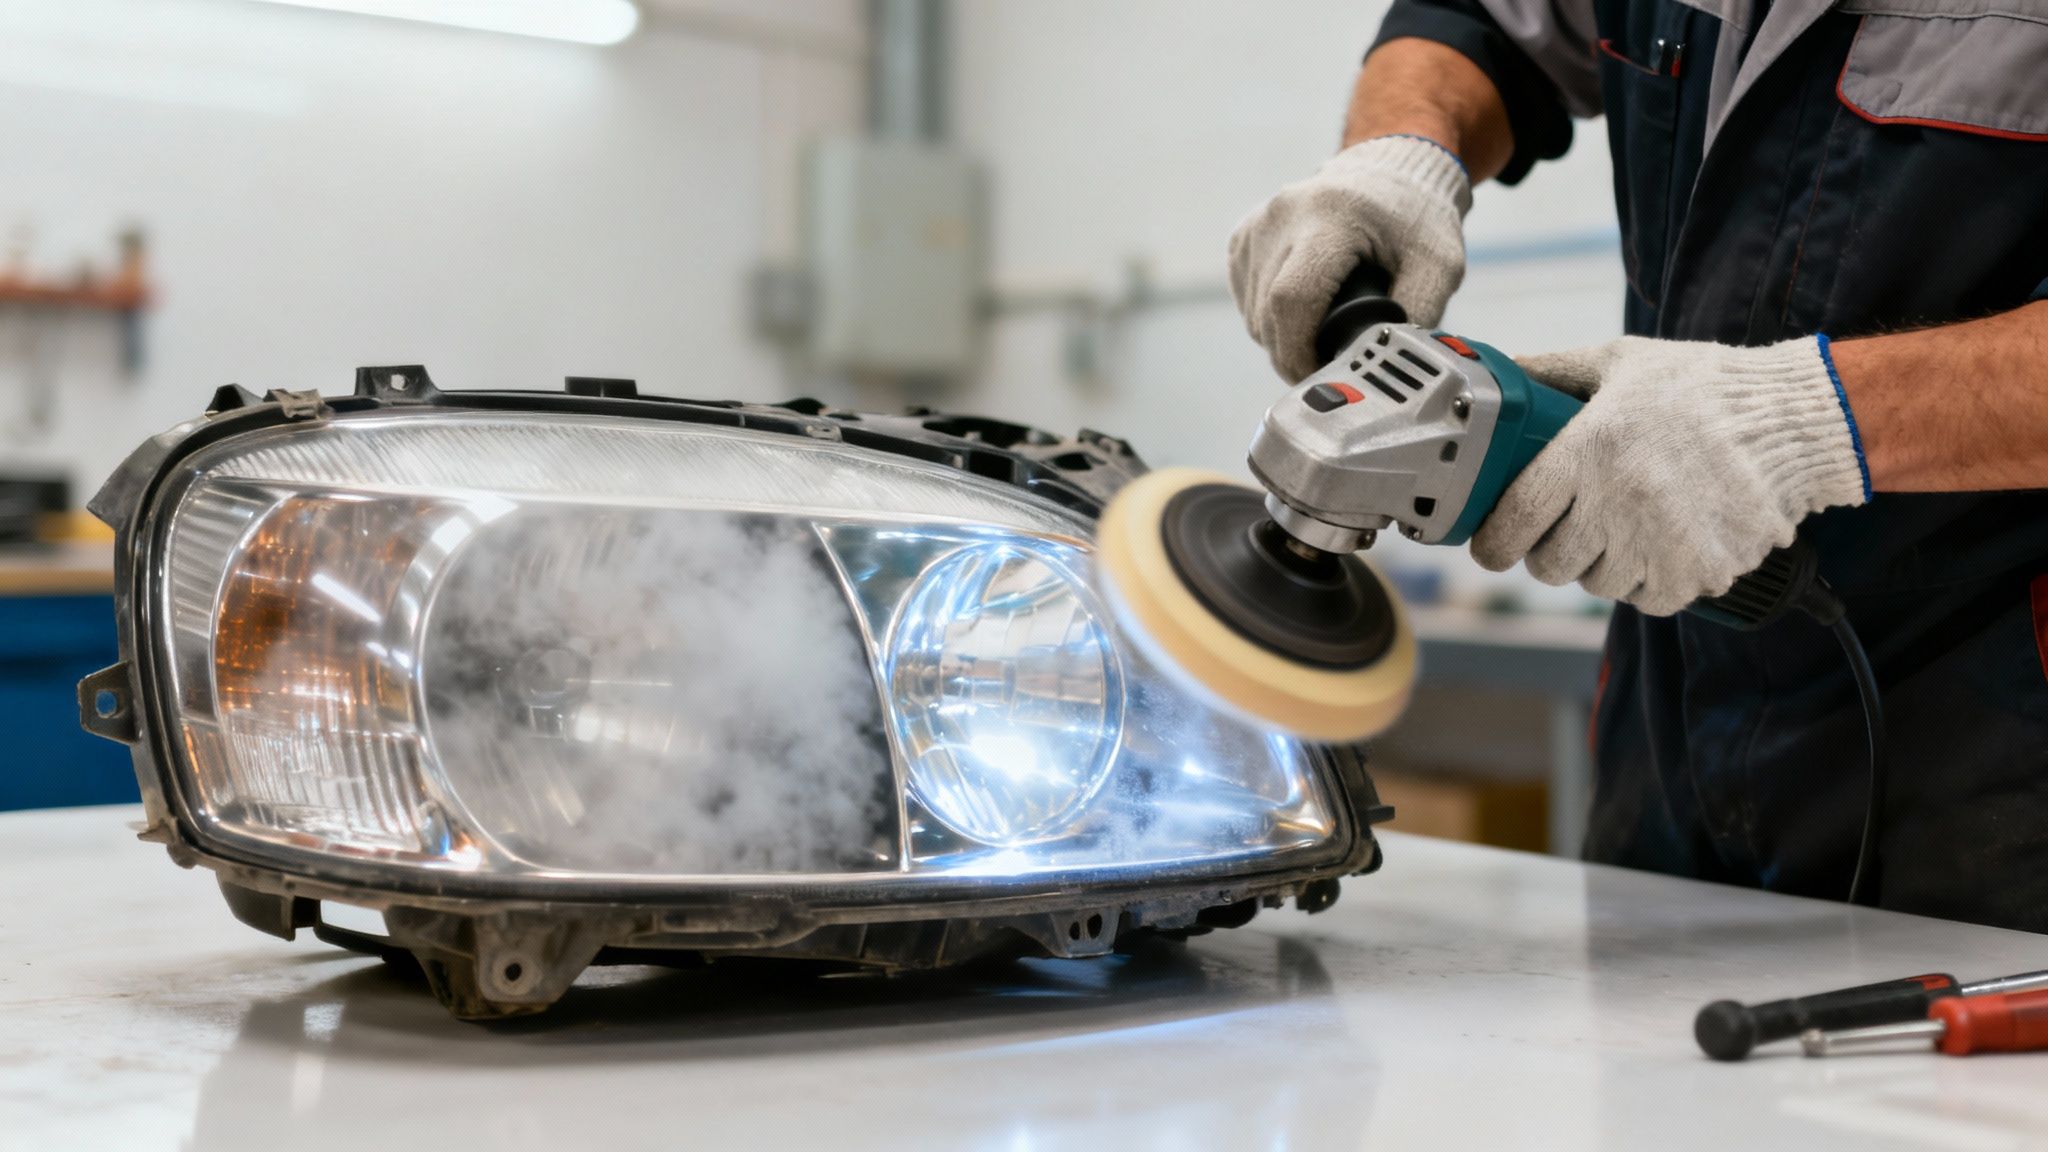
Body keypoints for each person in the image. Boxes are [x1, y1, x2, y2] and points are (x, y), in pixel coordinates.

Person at [1228, 0, 2048, 931]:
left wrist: (1802, 419)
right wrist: (1398, 156)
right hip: (1665, 724)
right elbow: (1480, 20)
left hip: (1999, 754)